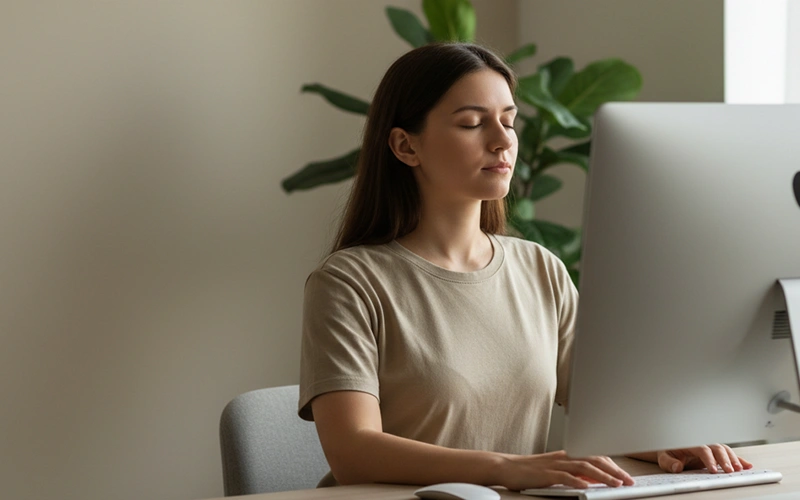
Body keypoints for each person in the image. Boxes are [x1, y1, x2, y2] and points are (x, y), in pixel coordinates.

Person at [297, 42, 752, 491]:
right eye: (473, 123)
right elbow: (353, 453)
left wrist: (666, 443)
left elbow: (609, 412)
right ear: (405, 145)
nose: (502, 140)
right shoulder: (348, 283)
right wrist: (506, 468)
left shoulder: (540, 268)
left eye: (509, 122)